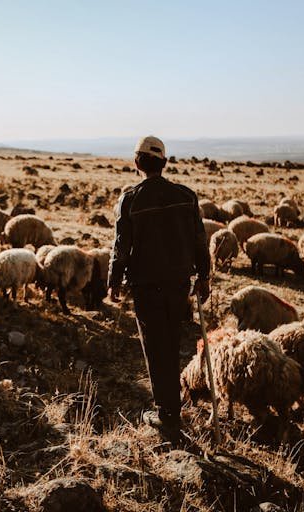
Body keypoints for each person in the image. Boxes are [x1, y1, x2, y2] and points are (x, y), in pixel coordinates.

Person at [108, 135, 210, 442]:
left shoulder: (130, 199)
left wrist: (114, 281)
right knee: (172, 342)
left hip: (146, 285)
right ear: (164, 164)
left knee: (155, 348)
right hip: (179, 284)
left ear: (137, 162)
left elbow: (121, 245)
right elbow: (199, 240)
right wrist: (204, 277)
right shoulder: (186, 196)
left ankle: (167, 416)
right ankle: (172, 406)